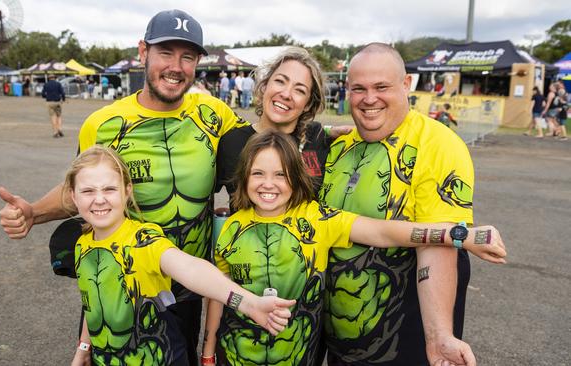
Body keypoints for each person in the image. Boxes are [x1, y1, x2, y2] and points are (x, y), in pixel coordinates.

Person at [0, 9, 247, 365]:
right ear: (143, 52)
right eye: (165, 53)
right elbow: (82, 190)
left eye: (187, 56)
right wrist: (33, 212)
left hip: (188, 288)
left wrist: (330, 133)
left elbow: (263, 150)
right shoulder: (102, 124)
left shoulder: (214, 112)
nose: (176, 66)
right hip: (121, 280)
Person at [203, 131, 506, 365]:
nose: (268, 184)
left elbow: (385, 231)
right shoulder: (230, 227)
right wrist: (208, 351)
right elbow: (219, 292)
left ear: (295, 178)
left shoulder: (318, 219)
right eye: (258, 173)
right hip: (236, 354)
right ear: (244, 176)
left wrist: (459, 235)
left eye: (280, 174)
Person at [318, 43, 481, 366]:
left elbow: (439, 241)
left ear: (406, 85)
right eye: (358, 89)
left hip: (403, 346)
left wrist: (439, 336)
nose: (369, 98)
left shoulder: (436, 143)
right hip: (341, 345)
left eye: (382, 87)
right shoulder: (339, 147)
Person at [63, 146, 295, 366]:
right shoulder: (82, 244)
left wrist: (247, 303)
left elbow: (191, 269)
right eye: (88, 191)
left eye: (109, 189)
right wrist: (83, 348)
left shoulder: (143, 240)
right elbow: (92, 302)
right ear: (73, 196)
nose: (99, 199)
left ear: (127, 190)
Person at [215, 47, 350, 208]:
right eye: (280, 81)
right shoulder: (231, 142)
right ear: (265, 86)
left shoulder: (317, 136)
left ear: (308, 104)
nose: (286, 94)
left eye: (299, 90)